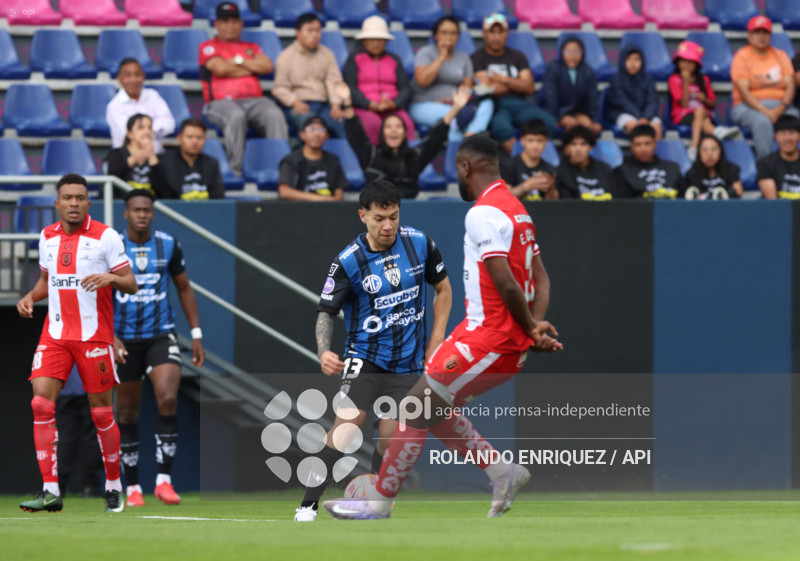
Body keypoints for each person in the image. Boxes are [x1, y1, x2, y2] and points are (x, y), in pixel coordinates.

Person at [322, 134, 562, 521]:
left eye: (457, 172)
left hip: (490, 339)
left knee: (414, 408)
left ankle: (379, 503)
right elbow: (542, 280)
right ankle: (502, 471)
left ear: (465, 168)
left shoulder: (482, 213)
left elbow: (505, 283)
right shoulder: (518, 210)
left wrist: (530, 329)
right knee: (430, 409)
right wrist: (532, 325)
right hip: (489, 336)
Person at [293, 179, 453, 522]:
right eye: (379, 218)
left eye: (393, 216)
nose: (388, 225)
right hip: (362, 359)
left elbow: (443, 289)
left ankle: (375, 502)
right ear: (362, 215)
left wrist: (437, 337)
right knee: (347, 428)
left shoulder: (420, 244)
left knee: (391, 439)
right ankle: (307, 505)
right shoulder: (348, 261)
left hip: (407, 364)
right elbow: (326, 312)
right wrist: (324, 351)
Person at [16, 173, 138, 513]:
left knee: (101, 413)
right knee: (41, 405)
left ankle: (113, 485)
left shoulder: (106, 237)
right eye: (67, 197)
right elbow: (46, 281)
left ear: (88, 202)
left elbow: (131, 283)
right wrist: (30, 297)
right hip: (54, 335)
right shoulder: (47, 236)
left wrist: (111, 277)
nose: (73, 203)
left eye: (80, 198)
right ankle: (51, 490)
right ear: (57, 203)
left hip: (93, 337)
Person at [113, 189, 205, 507]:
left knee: (167, 397)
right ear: (126, 213)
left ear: (153, 213)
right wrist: (108, 335)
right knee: (127, 411)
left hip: (160, 335)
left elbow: (184, 287)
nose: (142, 214)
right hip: (122, 338)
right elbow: (97, 296)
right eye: (136, 209)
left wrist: (195, 333)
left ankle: (164, 482)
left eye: (147, 210)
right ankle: (133, 487)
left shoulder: (167, 243)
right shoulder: (112, 246)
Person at [336, 82, 471, 199]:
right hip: (379, 215)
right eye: (388, 127)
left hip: (409, 211)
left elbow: (435, 137)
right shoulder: (371, 155)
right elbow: (355, 133)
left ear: (405, 133)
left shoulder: (415, 156)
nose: (393, 130)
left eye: (398, 127)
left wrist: (456, 107)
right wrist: (347, 102)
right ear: (382, 133)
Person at [199, 1, 288, 175]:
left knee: (274, 114)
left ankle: (281, 171)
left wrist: (237, 62)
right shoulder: (208, 46)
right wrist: (249, 66)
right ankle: (236, 170)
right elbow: (220, 69)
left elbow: (266, 66)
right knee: (236, 116)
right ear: (216, 24)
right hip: (219, 103)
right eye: (225, 21)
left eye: (234, 21)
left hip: (255, 101)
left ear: (241, 24)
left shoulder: (250, 47)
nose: (230, 26)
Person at [471, 13, 556, 155]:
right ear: (484, 34)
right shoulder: (476, 58)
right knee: (502, 127)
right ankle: (522, 165)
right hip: (494, 104)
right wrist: (515, 83)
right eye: (492, 32)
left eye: (500, 32)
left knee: (549, 123)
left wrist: (503, 79)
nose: (496, 37)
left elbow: (529, 88)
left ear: (507, 34)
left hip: (518, 104)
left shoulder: (518, 56)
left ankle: (535, 163)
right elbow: (489, 90)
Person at [409, 15, 493, 141]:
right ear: (436, 35)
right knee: (455, 120)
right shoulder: (425, 53)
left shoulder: (464, 58)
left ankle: (471, 135)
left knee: (488, 103)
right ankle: (463, 151)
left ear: (458, 36)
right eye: (444, 32)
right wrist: (441, 58)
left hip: (454, 104)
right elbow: (423, 81)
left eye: (453, 33)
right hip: (423, 104)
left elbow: (467, 89)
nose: (449, 37)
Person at [731, 15, 799, 160]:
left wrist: (781, 108)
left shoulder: (780, 55)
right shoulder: (741, 56)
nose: (761, 37)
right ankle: (765, 168)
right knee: (762, 122)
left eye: (765, 33)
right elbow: (744, 91)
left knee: (795, 118)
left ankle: (794, 168)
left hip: (781, 105)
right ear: (749, 35)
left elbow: (791, 83)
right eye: (757, 32)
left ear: (770, 35)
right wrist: (766, 111)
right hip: (748, 106)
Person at [343, 16, 416, 145]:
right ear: (364, 41)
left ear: (386, 42)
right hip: (364, 108)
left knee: (405, 124)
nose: (376, 43)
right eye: (371, 40)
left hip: (392, 107)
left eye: (380, 40)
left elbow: (406, 88)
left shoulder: (394, 59)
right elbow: (350, 87)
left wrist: (394, 103)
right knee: (373, 124)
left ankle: (408, 161)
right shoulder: (355, 59)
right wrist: (368, 104)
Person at [273, 13, 347, 139]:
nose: (315, 34)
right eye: (310, 30)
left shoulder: (327, 54)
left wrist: (335, 105)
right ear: (298, 33)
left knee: (342, 122)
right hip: (299, 104)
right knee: (311, 127)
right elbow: (279, 88)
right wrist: (294, 102)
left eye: (318, 30)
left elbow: (334, 81)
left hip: (324, 104)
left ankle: (344, 158)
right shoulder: (286, 56)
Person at [669, 40, 738, 162]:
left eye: (690, 62)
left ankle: (694, 148)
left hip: (704, 114)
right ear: (678, 63)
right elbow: (684, 103)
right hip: (683, 115)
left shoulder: (704, 80)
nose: (686, 65)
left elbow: (713, 104)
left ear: (696, 64)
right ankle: (714, 133)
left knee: (701, 112)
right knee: (700, 113)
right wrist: (685, 82)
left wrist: (704, 98)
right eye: (683, 61)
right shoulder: (674, 80)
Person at [106, 58, 175, 154]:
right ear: (119, 79)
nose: (133, 79)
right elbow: (127, 136)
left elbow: (169, 124)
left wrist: (141, 130)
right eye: (128, 76)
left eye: (137, 75)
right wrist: (153, 130)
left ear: (143, 76)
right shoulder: (114, 106)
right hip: (127, 160)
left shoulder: (153, 96)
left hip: (156, 157)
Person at [541, 35, 602, 136]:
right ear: (562, 52)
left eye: (577, 52)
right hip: (559, 112)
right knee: (571, 125)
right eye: (568, 52)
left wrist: (595, 120)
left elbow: (593, 99)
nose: (572, 56)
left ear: (583, 53)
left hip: (580, 111)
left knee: (587, 125)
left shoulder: (588, 71)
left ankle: (583, 151)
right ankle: (569, 150)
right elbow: (550, 98)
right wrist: (554, 118)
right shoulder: (553, 69)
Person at [278, 116, 347, 201]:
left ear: (327, 136)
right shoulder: (291, 160)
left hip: (327, 211)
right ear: (302, 135)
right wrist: (319, 199)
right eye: (311, 129)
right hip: (298, 210)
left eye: (321, 130)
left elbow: (339, 194)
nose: (316, 134)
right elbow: (284, 192)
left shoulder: (333, 160)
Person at [605, 44, 662, 141]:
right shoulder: (616, 79)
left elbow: (652, 101)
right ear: (623, 61)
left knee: (656, 126)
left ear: (642, 61)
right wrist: (639, 117)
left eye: (636, 59)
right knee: (633, 125)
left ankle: (656, 154)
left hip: (646, 115)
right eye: (629, 59)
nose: (633, 63)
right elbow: (622, 103)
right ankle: (638, 154)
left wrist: (646, 117)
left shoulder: (648, 79)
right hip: (623, 114)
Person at [159, 118, 225, 200]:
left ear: (205, 139)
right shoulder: (165, 163)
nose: (195, 141)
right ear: (179, 139)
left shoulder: (212, 163)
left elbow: (218, 198)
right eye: (190, 137)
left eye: (199, 137)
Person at [615, 124, 683, 199]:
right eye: (638, 144)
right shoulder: (622, 172)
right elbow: (623, 205)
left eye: (647, 144)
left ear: (655, 144)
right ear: (632, 147)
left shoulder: (673, 168)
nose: (643, 149)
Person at [106, 113, 165, 198]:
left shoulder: (158, 158)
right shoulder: (117, 154)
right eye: (141, 128)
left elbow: (162, 191)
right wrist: (134, 159)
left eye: (149, 128)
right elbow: (112, 177)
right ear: (130, 134)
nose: (147, 131)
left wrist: (152, 155)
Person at [501, 118, 557, 201]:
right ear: (522, 141)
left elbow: (555, 203)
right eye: (530, 140)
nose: (535, 145)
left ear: (546, 142)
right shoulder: (508, 165)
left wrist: (551, 187)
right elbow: (503, 197)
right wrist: (528, 185)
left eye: (540, 141)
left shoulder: (549, 169)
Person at [555, 125, 616, 200]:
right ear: (566, 148)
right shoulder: (561, 171)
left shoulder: (604, 169)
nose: (578, 149)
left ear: (591, 147)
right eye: (573, 144)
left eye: (583, 144)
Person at [683, 135, 743, 199]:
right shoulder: (692, 173)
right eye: (704, 149)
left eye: (714, 149)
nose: (709, 153)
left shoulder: (731, 169)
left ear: (721, 151)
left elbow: (739, 191)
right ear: (699, 152)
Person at [756, 114, 800, 199]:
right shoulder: (765, 164)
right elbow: (774, 204)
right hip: (781, 211)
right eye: (782, 133)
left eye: (792, 133)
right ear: (776, 136)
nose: (787, 138)